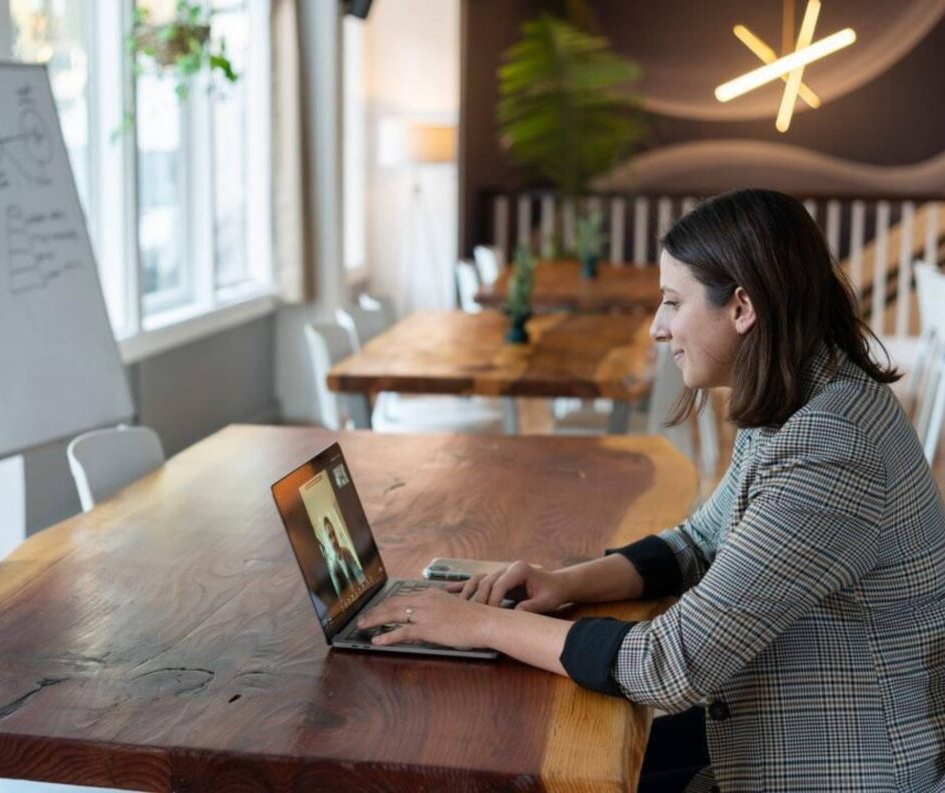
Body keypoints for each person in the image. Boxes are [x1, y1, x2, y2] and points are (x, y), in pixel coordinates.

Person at [358, 189, 945, 792]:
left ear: (742, 307)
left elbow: (672, 663)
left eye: (672, 302)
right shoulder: (802, 397)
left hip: (849, 769)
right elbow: (698, 542)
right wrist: (563, 582)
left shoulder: (833, 444)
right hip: (782, 730)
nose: (658, 328)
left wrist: (477, 627)